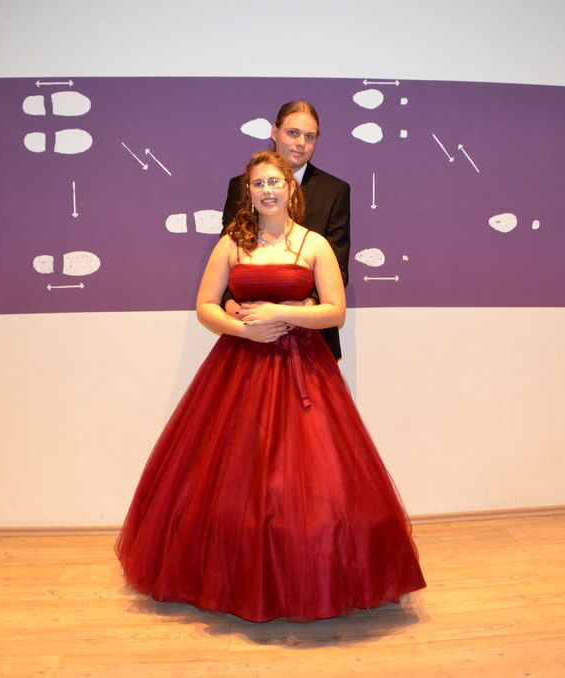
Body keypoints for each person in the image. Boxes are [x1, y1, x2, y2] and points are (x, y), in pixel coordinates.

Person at [117, 151, 425, 622]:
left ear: (290, 188)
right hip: (238, 368)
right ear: (249, 192)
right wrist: (244, 330)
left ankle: (316, 579)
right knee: (232, 477)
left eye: (274, 182)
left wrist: (280, 313)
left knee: (311, 480)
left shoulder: (314, 244)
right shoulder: (231, 244)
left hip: (304, 370)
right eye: (258, 184)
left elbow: (334, 311)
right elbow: (206, 305)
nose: (267, 191)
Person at [222, 100, 351, 360]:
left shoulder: (335, 191)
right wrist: (231, 305)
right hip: (250, 336)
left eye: (310, 136)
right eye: (293, 133)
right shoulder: (240, 186)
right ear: (274, 132)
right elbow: (229, 256)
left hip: (313, 341)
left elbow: (338, 268)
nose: (301, 143)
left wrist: (305, 306)